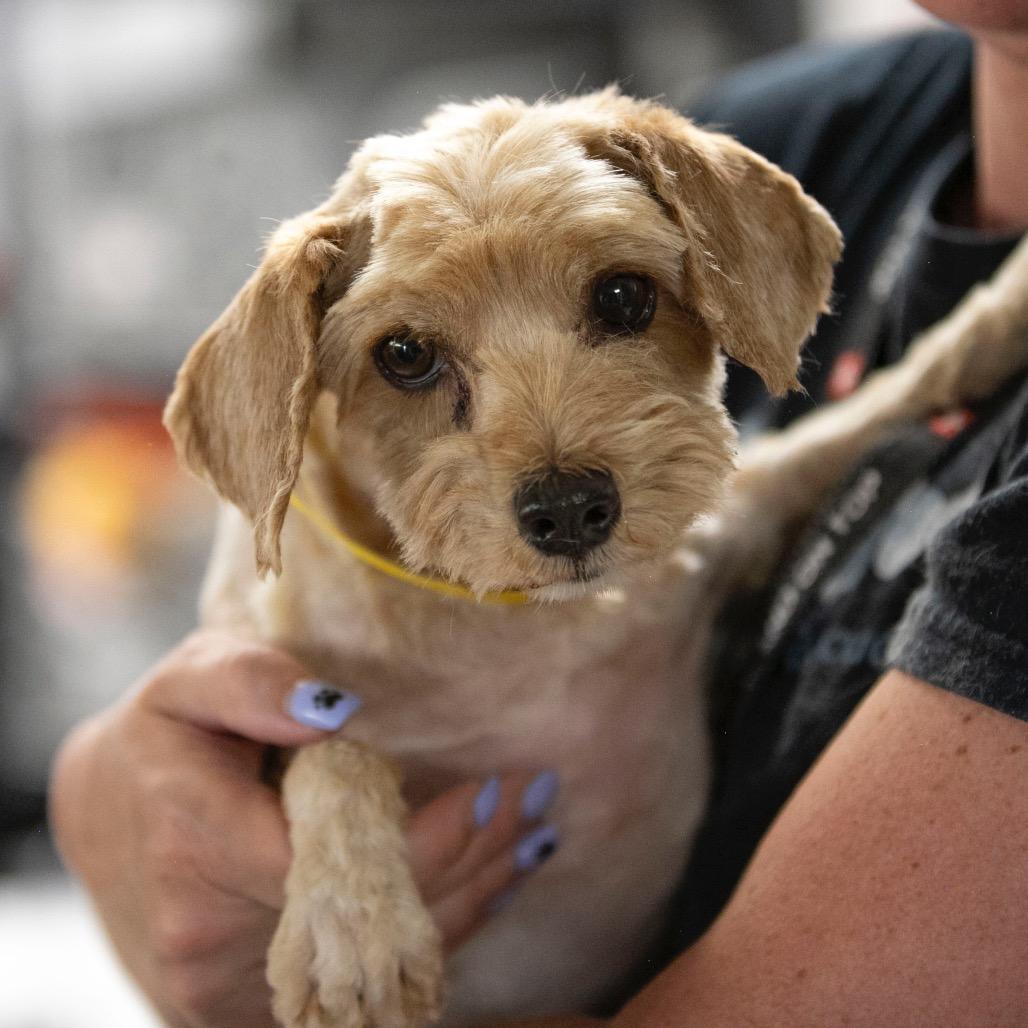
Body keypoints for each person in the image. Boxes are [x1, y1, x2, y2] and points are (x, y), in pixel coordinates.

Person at [50, 2, 1028, 1025]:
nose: (558, 482)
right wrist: (103, 793)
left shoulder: (701, 174)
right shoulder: (798, 126)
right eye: (408, 356)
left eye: (617, 302)